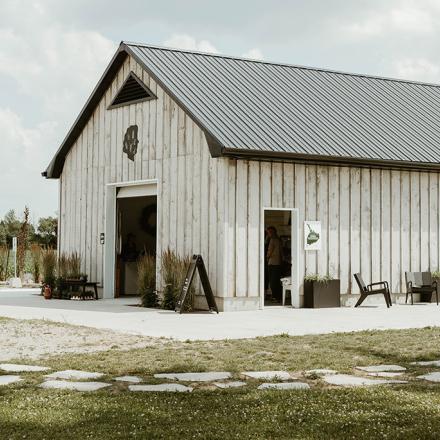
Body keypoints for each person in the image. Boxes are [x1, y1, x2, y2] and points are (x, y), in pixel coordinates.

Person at [266, 226, 283, 302]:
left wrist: (267, 257)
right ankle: (277, 296)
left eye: (269, 232)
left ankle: (275, 297)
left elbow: (269, 251)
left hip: (272, 262)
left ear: (272, 232)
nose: (268, 234)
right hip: (278, 262)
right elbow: (281, 252)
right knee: (276, 280)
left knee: (272, 281)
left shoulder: (272, 240)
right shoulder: (279, 240)